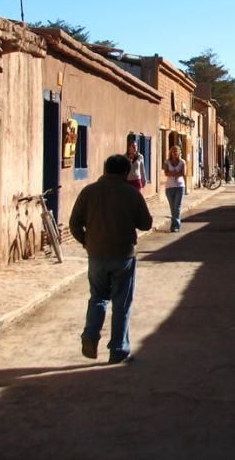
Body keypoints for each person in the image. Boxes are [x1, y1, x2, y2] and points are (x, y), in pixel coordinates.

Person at [70, 154, 153, 364]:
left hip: (96, 254)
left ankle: (90, 335)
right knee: (122, 303)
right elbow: (145, 223)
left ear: (105, 170)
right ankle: (118, 348)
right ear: (126, 172)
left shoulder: (89, 192)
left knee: (98, 297)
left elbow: (74, 223)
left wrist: (87, 242)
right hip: (123, 255)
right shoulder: (131, 194)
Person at [164, 145, 186, 232]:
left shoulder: (182, 162)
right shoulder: (167, 162)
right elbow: (166, 172)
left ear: (179, 152)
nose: (175, 153)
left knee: (177, 207)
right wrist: (176, 172)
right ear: (171, 152)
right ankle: (174, 224)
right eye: (173, 151)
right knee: (172, 207)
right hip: (169, 187)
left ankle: (175, 226)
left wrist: (172, 173)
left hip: (180, 187)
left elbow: (183, 173)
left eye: (177, 151)